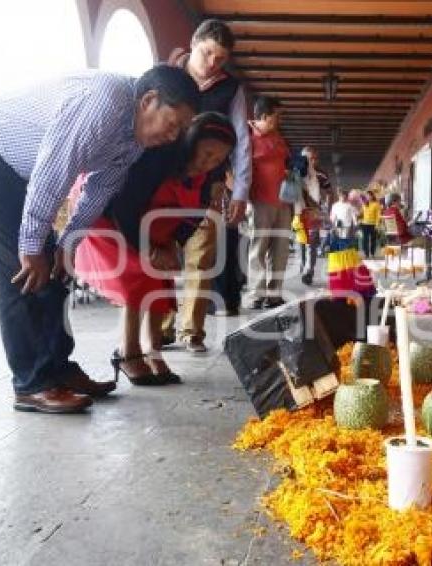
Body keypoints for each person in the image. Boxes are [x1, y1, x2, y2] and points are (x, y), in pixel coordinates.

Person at [0, 65, 199, 413]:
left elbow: (99, 189)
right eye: (173, 123)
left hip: (10, 171)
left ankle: (58, 369)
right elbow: (54, 170)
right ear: (149, 100)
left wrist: (69, 242)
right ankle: (33, 384)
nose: (173, 136)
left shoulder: (134, 139)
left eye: (181, 130)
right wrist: (31, 247)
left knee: (54, 271)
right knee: (20, 270)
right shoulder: (104, 102)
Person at [73, 113, 236, 385]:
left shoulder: (211, 176)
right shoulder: (156, 158)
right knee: (136, 276)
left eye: (218, 159)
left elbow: (195, 215)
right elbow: (124, 208)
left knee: (161, 280)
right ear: (190, 143)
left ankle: (152, 349)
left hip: (154, 227)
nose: (209, 162)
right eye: (206, 153)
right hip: (111, 220)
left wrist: (173, 246)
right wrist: (149, 250)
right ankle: (128, 351)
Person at [162, 19, 252, 350]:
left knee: (200, 255)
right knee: (161, 249)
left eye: (220, 59)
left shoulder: (232, 88)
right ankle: (161, 325)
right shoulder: (169, 73)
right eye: (207, 53)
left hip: (210, 184)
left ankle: (191, 331)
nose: (212, 63)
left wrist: (240, 190)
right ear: (194, 43)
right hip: (164, 179)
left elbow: (242, 140)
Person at [248, 95, 292, 309]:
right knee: (258, 248)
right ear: (264, 116)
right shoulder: (247, 136)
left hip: (283, 202)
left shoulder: (278, 137)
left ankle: (274, 294)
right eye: (277, 115)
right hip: (259, 201)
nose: (279, 120)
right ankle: (257, 294)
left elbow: (287, 161)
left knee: (280, 249)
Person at [295, 146, 331, 286]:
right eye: (309, 158)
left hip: (314, 212)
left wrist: (326, 209)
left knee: (312, 242)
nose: (312, 161)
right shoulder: (296, 171)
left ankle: (309, 271)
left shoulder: (321, 174)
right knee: (300, 241)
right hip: (298, 212)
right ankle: (303, 264)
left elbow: (329, 191)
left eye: (315, 158)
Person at [359, 191, 382, 258]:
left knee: (373, 239)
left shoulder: (376, 204)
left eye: (369, 196)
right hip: (364, 224)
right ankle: (366, 254)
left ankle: (372, 253)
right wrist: (359, 218)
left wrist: (377, 224)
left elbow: (378, 215)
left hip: (373, 224)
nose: (368, 197)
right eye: (367, 196)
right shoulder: (364, 204)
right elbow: (362, 214)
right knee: (365, 240)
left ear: (372, 196)